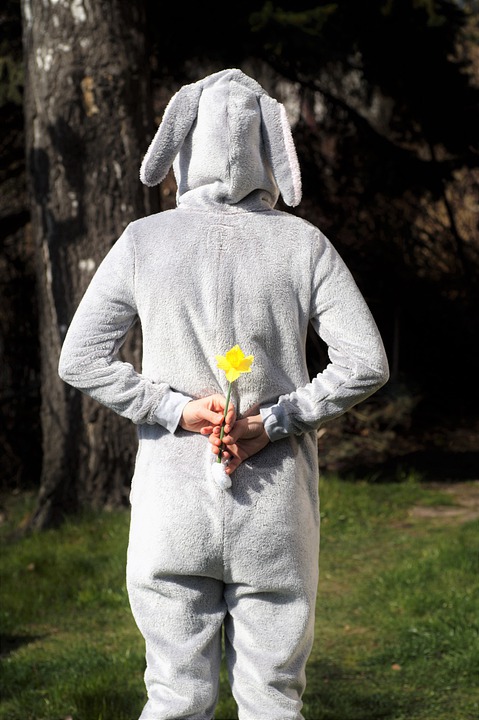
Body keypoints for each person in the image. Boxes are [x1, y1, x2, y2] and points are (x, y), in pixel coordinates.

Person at [58, 68, 389, 720]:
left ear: (182, 146)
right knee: (272, 701)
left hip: (171, 515)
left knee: (176, 699)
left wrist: (173, 408)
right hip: (274, 520)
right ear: (269, 150)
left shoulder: (143, 242)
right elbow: (365, 363)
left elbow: (80, 359)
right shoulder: (303, 245)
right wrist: (276, 419)